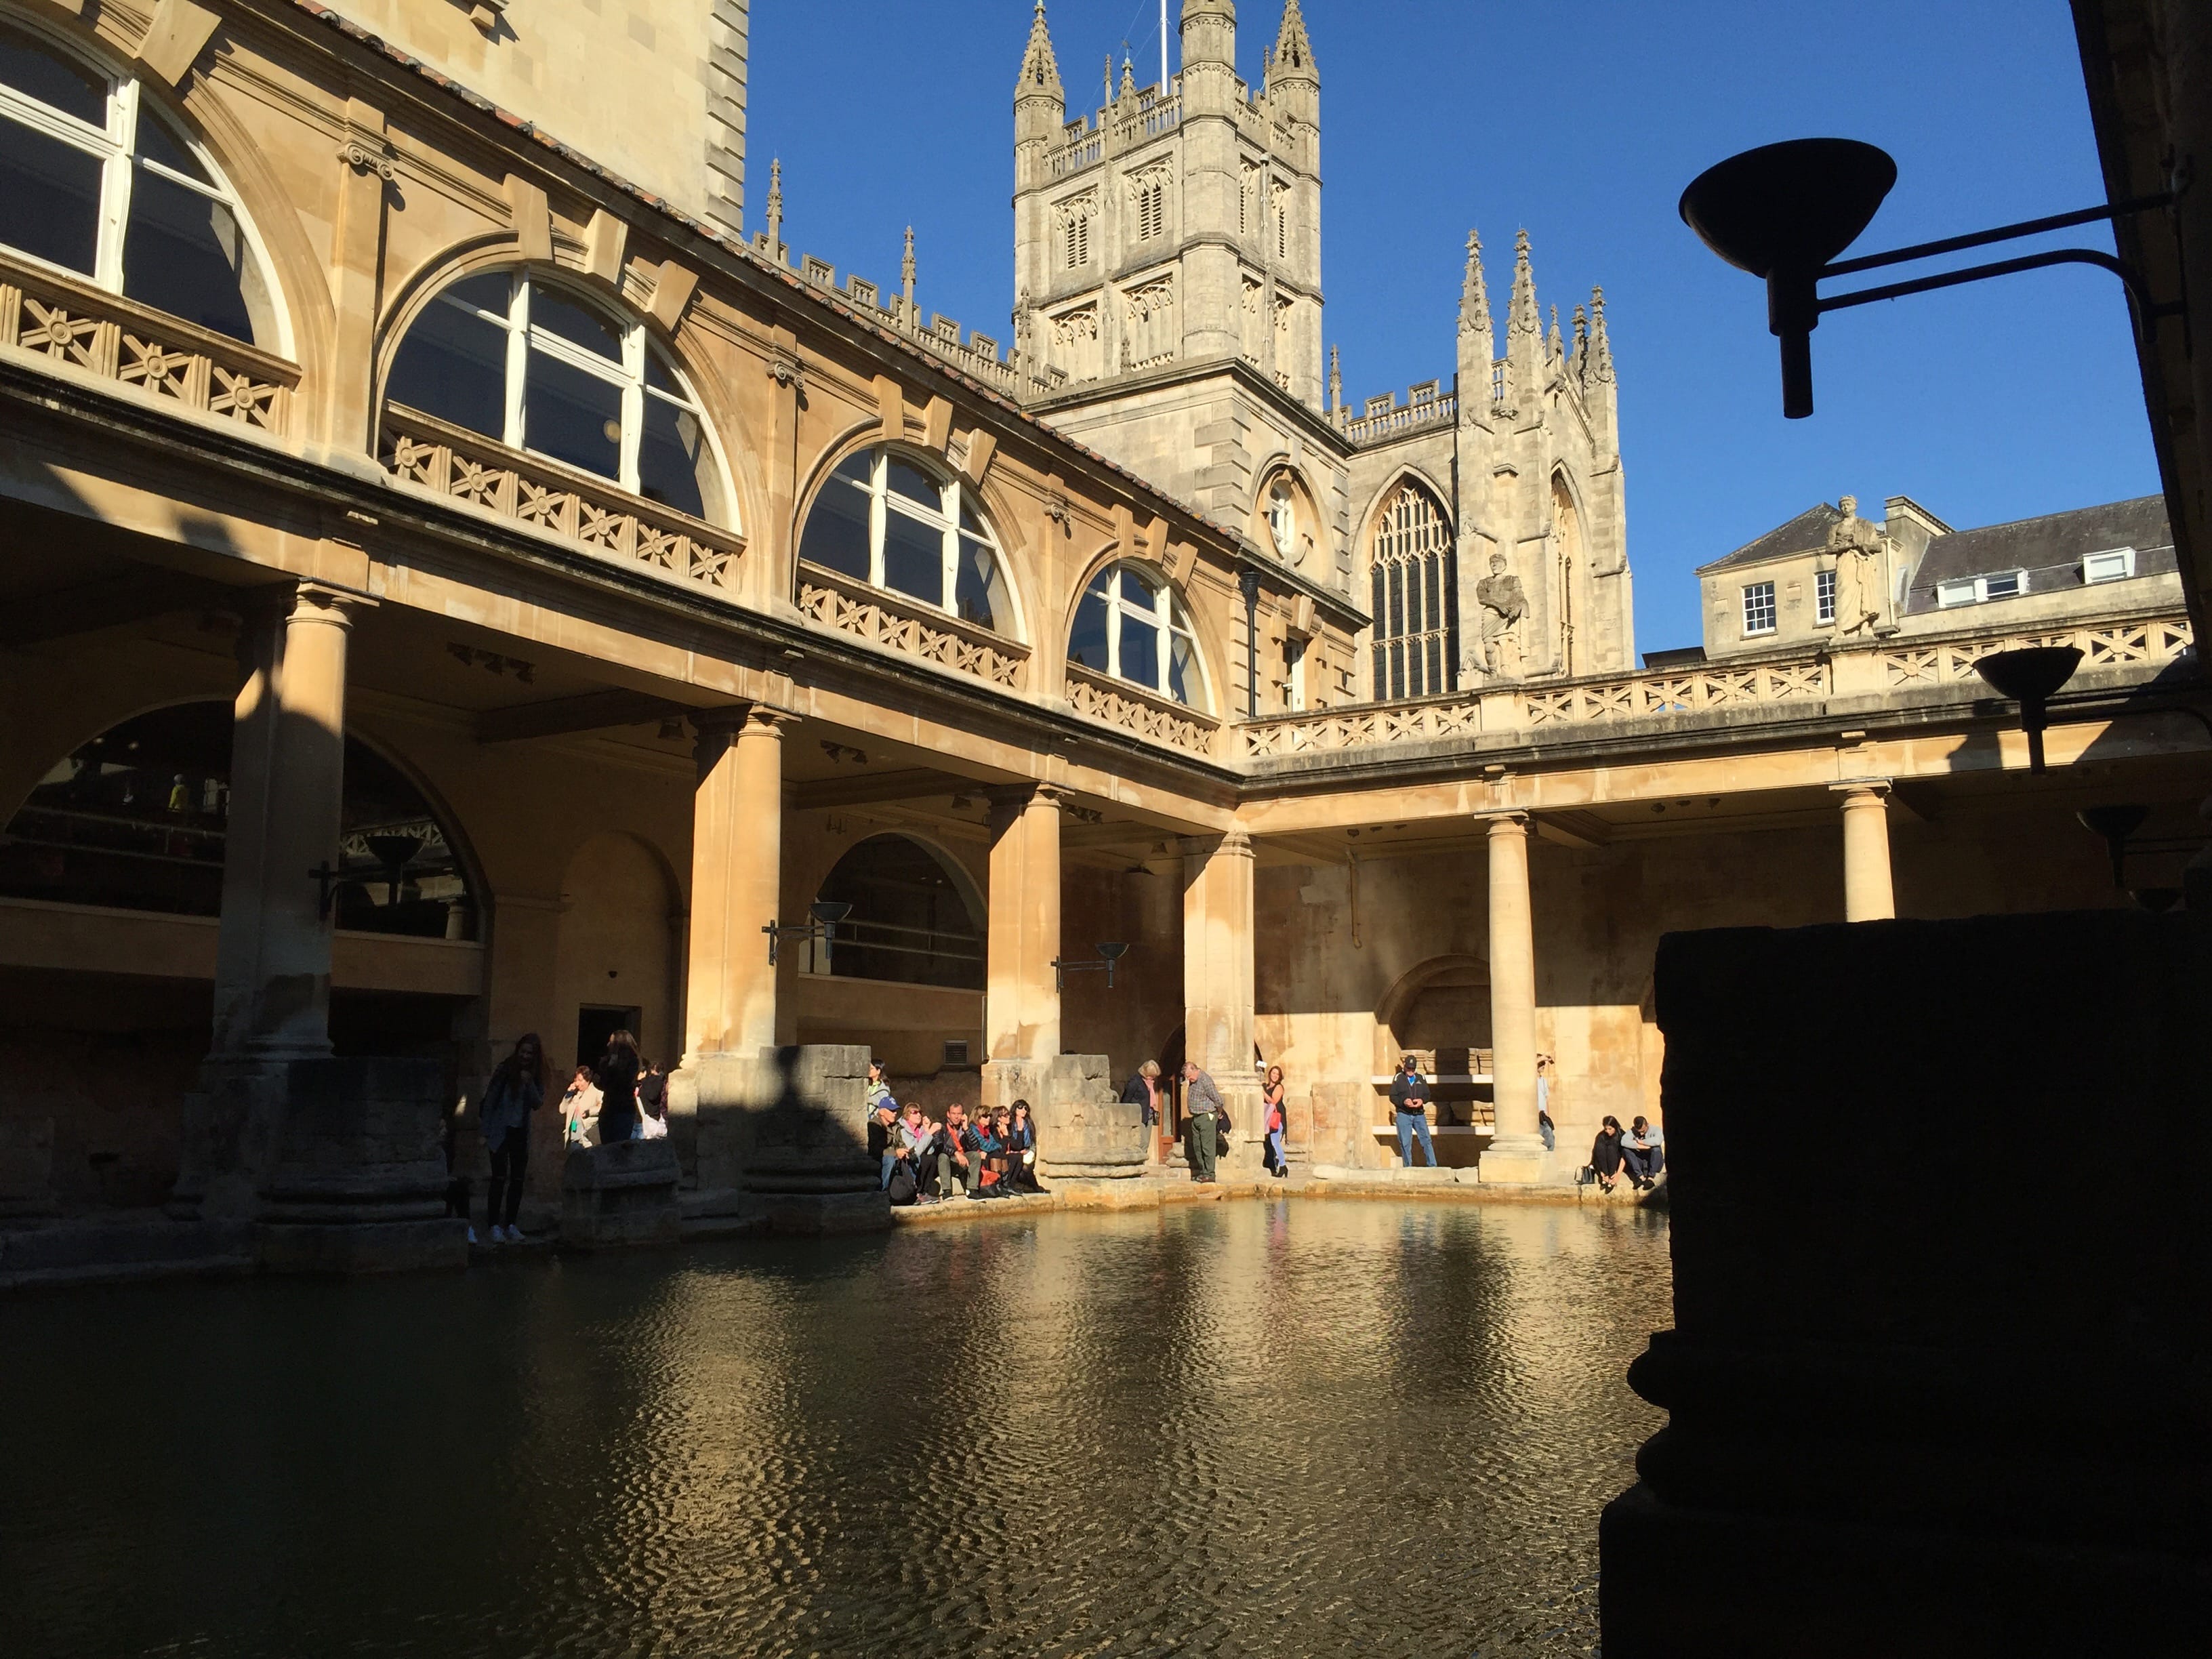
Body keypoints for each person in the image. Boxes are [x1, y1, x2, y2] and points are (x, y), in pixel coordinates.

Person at [480, 1033, 546, 1243]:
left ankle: (511, 1224)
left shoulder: (535, 1076)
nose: (525, 1056)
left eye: (530, 1053)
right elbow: (490, 1100)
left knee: (517, 1180)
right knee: (499, 1178)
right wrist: (486, 1131)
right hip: (501, 1130)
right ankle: (493, 1225)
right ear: (518, 1050)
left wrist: (529, 1084)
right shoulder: (504, 1070)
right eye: (523, 1051)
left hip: (520, 1132)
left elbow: (537, 1103)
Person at [1389, 1053, 1438, 1168]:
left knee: (1426, 1140)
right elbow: (1393, 1096)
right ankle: (1408, 1167)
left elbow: (1428, 1095)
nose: (1411, 1071)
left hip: (1419, 1114)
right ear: (1404, 1067)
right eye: (1409, 1068)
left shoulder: (1421, 1078)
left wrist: (1422, 1100)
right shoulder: (1398, 1078)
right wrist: (1404, 1101)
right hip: (1404, 1114)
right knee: (1405, 1142)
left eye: (1413, 1068)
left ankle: (1432, 1166)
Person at [1181, 1059, 1224, 1184]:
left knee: (1207, 1146)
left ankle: (1210, 1173)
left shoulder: (1205, 1080)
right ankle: (1202, 1171)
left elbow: (1218, 1099)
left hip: (1207, 1116)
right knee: (1197, 1146)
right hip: (1196, 1117)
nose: (1189, 1079)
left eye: (1190, 1076)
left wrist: (1219, 1113)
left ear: (1194, 1070)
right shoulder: (1193, 1081)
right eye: (1187, 1077)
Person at [596, 1029, 641, 1145]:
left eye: (611, 1042)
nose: (608, 1045)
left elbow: (623, 1082)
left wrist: (612, 1066)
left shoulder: (632, 1062)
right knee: (607, 1147)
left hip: (623, 1109)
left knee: (619, 1147)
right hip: (608, 1108)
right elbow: (603, 1083)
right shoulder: (606, 1062)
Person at [931, 1103, 981, 1200]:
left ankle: (972, 1190)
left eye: (959, 1113)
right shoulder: (942, 1127)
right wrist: (955, 1153)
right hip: (946, 1162)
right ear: (948, 1114)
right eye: (954, 1113)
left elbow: (975, 1146)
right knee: (943, 1156)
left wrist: (966, 1128)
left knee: (975, 1155)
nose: (957, 1116)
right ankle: (947, 1191)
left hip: (961, 1161)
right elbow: (938, 1145)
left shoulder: (964, 1127)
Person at [1006, 1100, 1046, 1193]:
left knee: (1026, 1168)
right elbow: (1014, 1144)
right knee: (1024, 1168)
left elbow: (1032, 1141)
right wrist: (1020, 1130)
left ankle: (1033, 1187)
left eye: (1026, 1108)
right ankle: (1036, 1187)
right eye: (1020, 1107)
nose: (1023, 1110)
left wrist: (1030, 1152)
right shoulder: (1010, 1124)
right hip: (1014, 1152)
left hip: (1027, 1152)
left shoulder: (1029, 1124)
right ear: (1015, 1109)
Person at [559, 1064, 602, 1149]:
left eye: (580, 1080)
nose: (577, 1083)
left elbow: (602, 1107)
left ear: (587, 1080)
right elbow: (562, 1110)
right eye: (576, 1080)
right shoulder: (575, 1093)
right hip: (573, 1139)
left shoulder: (596, 1091)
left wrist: (590, 1112)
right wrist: (568, 1095)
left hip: (587, 1140)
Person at [1622, 1115, 1664, 1189]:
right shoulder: (1632, 1131)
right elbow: (1624, 1142)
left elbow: (1658, 1141)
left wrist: (1642, 1142)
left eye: (1643, 1131)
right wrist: (1640, 1146)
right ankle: (1641, 1177)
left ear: (1647, 1125)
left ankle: (1651, 1178)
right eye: (1639, 1132)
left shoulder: (1656, 1129)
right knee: (1626, 1150)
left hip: (1654, 1162)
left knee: (1656, 1148)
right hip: (1642, 1161)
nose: (1641, 1134)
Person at [1261, 1064, 1288, 1177]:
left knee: (1275, 1142)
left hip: (1276, 1118)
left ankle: (1283, 1166)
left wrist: (1262, 1093)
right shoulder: (1266, 1086)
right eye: (1273, 1073)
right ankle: (1273, 1167)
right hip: (1267, 1118)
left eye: (1277, 1074)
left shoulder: (1279, 1087)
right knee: (1269, 1144)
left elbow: (1273, 1101)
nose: (1275, 1075)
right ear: (1269, 1074)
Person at [1590, 1115, 1626, 1193]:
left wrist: (1618, 1173)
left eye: (1610, 1129)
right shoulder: (1601, 1136)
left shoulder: (1622, 1135)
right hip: (1604, 1164)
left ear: (1615, 1127)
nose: (1608, 1131)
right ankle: (1605, 1176)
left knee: (1611, 1148)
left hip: (1616, 1161)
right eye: (1606, 1129)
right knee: (1600, 1147)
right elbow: (1596, 1154)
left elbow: (1625, 1155)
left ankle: (1612, 1176)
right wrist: (1601, 1171)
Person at [1122, 1059, 1162, 1128]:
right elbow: (1126, 1099)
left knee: (1146, 1139)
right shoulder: (1135, 1082)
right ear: (1145, 1073)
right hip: (1138, 1117)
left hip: (1148, 1116)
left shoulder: (1150, 1084)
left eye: (1154, 1077)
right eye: (1151, 1076)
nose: (1152, 1079)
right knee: (1142, 1139)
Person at [869, 1102, 901, 1189]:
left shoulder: (895, 1126)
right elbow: (874, 1150)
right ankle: (883, 1190)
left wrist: (904, 1150)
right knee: (889, 1160)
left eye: (895, 1110)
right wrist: (896, 1153)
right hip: (880, 1157)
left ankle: (915, 1192)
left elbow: (901, 1143)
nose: (895, 1113)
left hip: (893, 1155)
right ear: (882, 1112)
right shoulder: (874, 1125)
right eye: (892, 1110)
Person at [1536, 1053, 1557, 1153]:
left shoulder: (1543, 1080)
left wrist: (1548, 1114)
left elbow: (1546, 1097)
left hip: (1543, 1115)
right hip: (1535, 1114)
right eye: (1540, 1064)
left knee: (1549, 1136)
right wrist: (1541, 1058)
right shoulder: (1532, 1078)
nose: (1543, 1066)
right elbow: (1528, 1069)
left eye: (1544, 1064)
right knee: (1539, 1139)